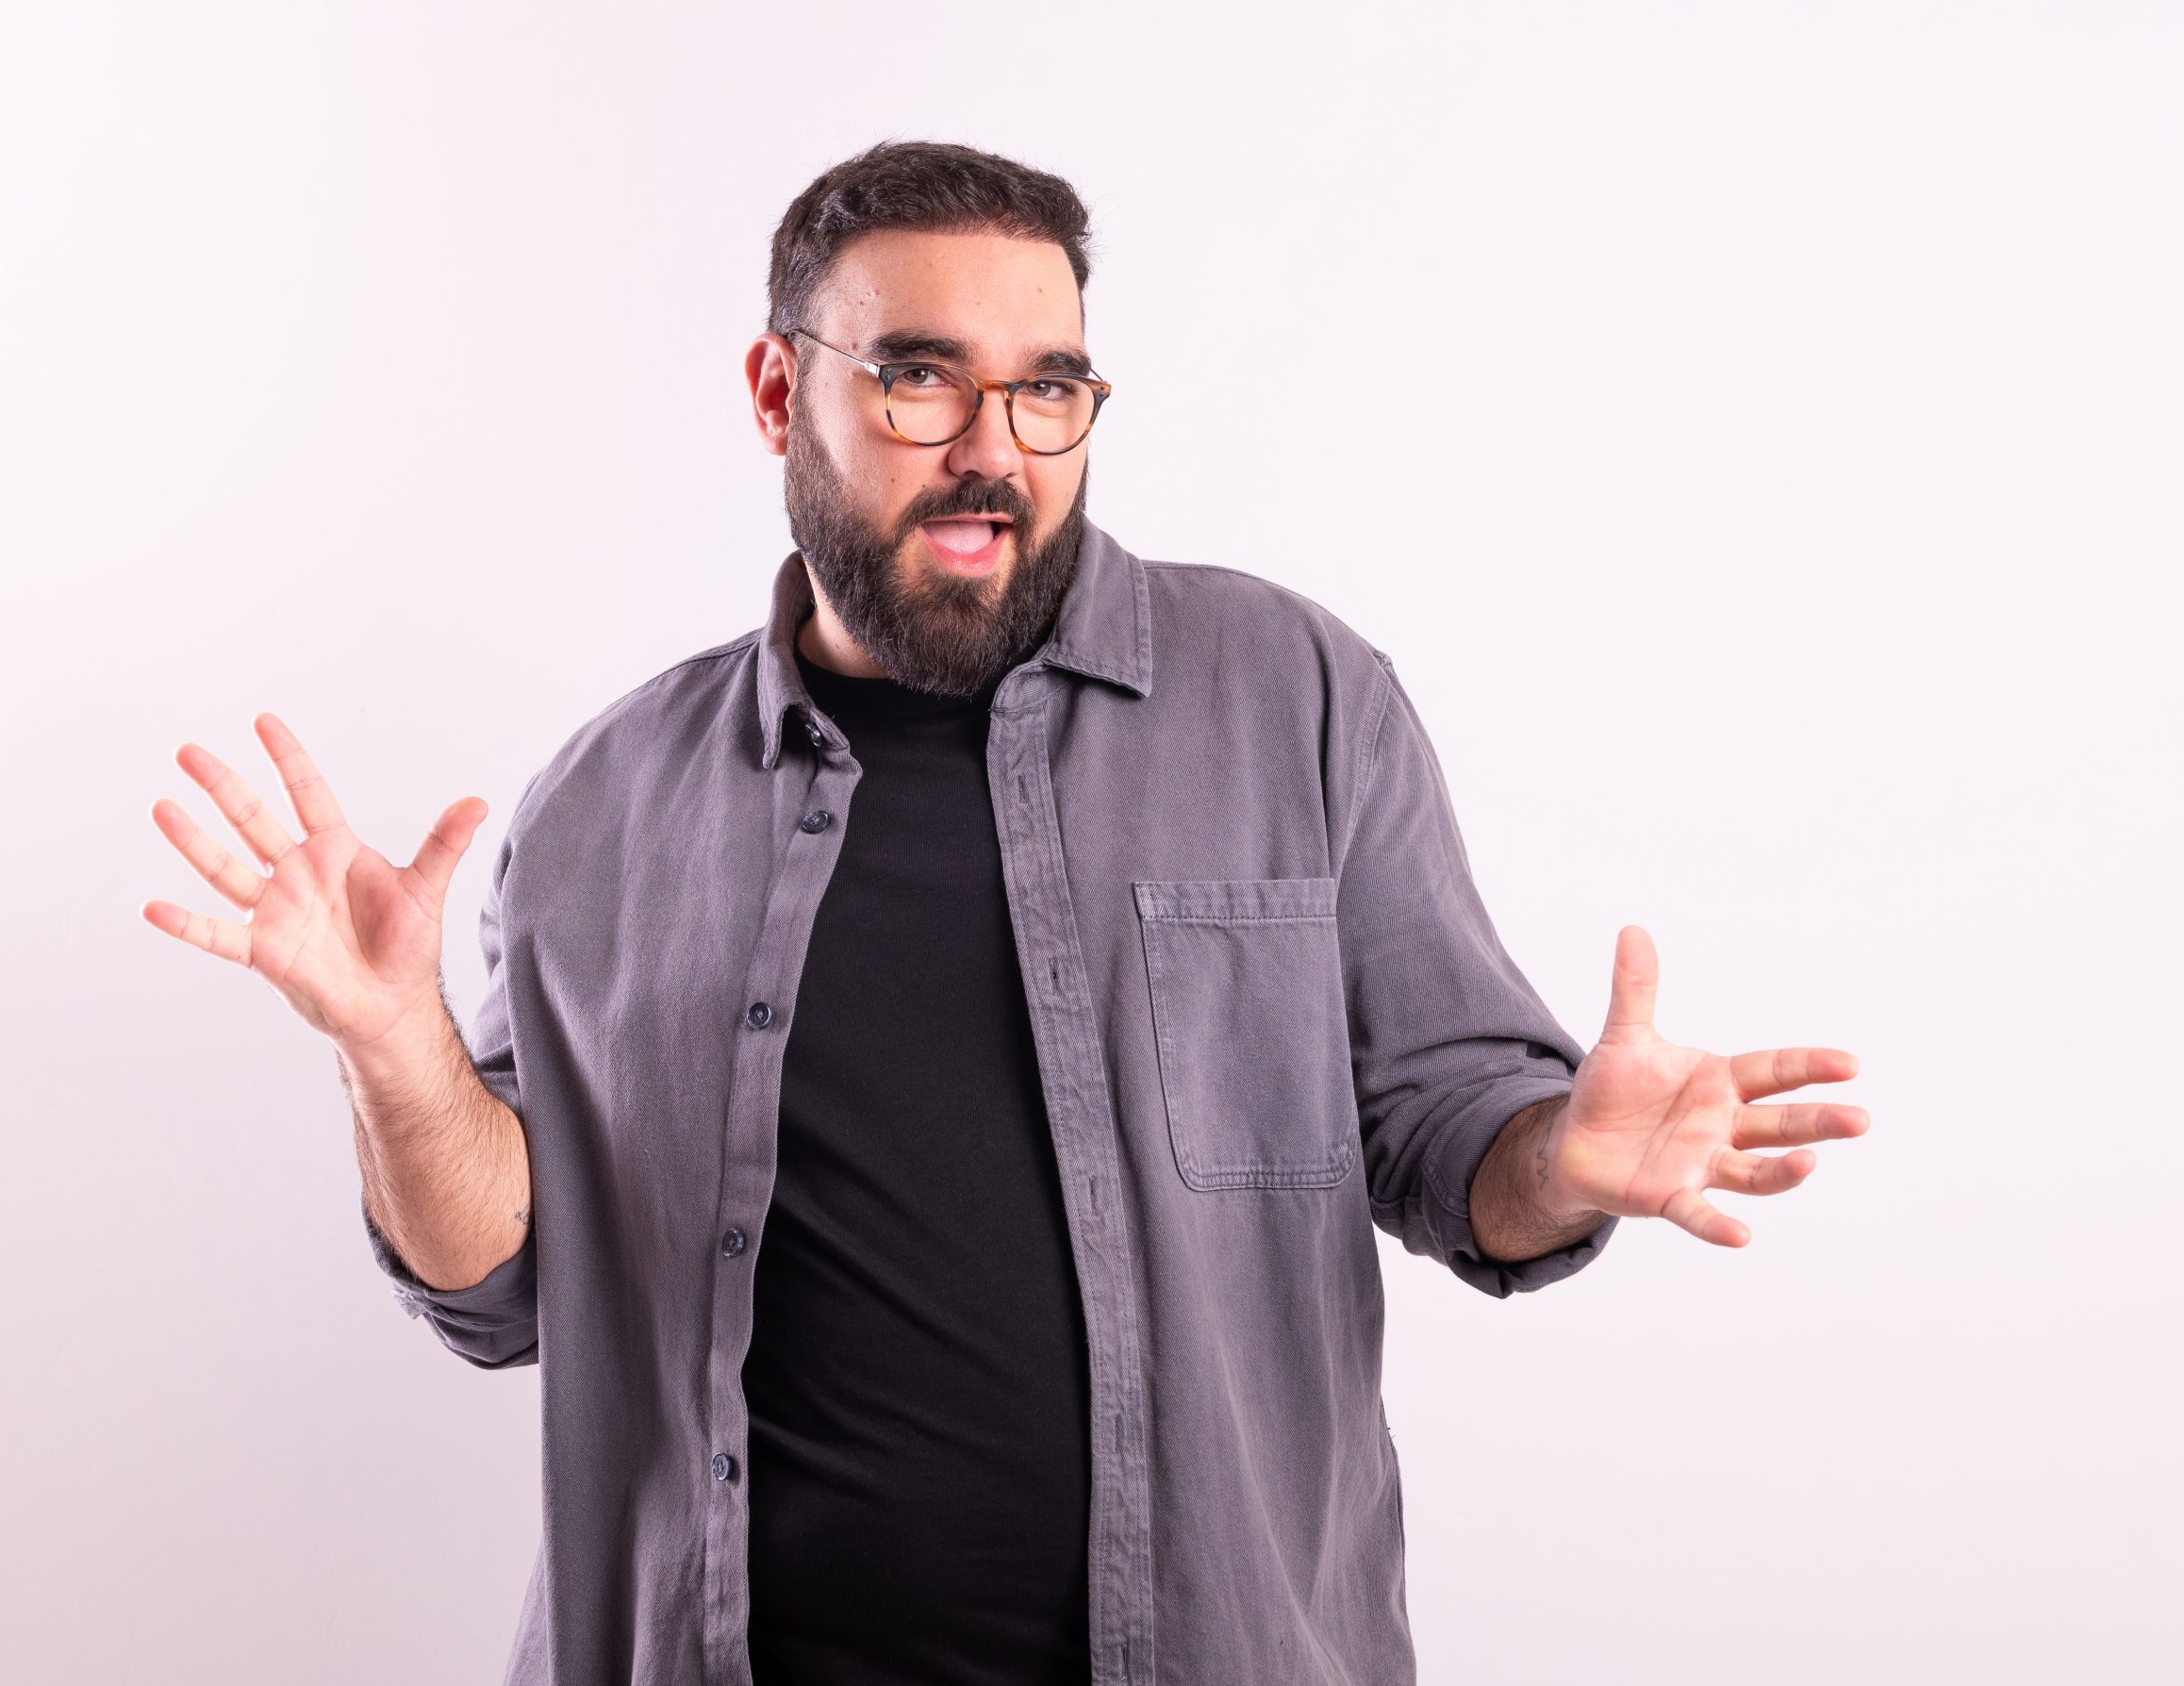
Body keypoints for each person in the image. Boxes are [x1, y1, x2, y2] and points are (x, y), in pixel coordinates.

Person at [142, 140, 1870, 1686]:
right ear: (777, 392)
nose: (994, 454)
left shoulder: (1295, 698)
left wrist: (1558, 1156)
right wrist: (395, 1049)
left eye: (1049, 390)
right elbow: (505, 1282)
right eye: (919, 379)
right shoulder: (604, 804)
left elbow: (1447, 1135)